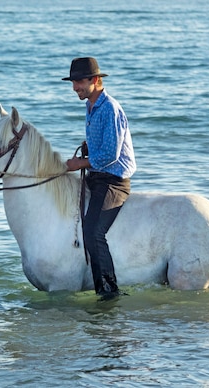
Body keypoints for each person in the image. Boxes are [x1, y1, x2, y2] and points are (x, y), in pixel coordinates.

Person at [62, 57, 136, 300]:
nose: (75, 88)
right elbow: (100, 147)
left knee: (93, 231)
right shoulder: (91, 106)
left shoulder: (110, 108)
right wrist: (88, 147)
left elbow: (109, 155)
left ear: (95, 80)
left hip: (113, 180)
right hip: (97, 175)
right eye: (73, 82)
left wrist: (78, 164)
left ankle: (109, 291)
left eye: (79, 82)